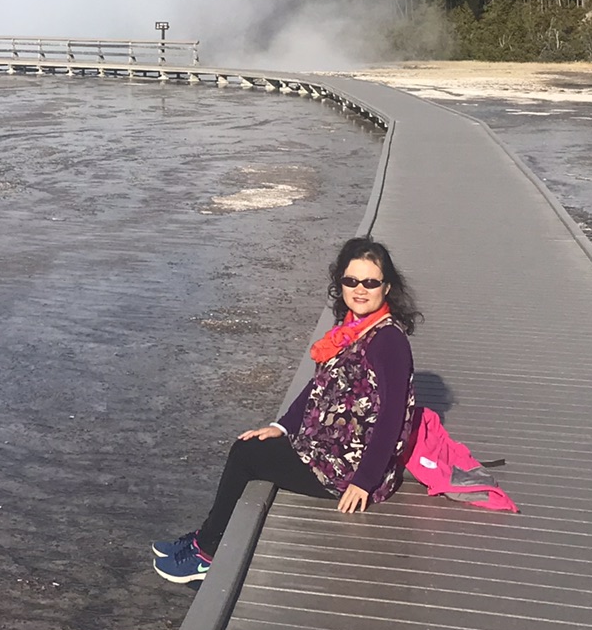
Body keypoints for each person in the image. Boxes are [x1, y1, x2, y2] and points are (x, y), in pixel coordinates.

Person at [151, 237, 421, 584]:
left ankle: (207, 552)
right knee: (253, 444)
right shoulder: (352, 329)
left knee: (246, 455)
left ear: (387, 287)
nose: (360, 289)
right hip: (326, 448)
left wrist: (364, 481)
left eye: (370, 282)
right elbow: (318, 387)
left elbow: (393, 416)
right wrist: (281, 426)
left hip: (345, 468)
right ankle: (207, 535)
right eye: (351, 281)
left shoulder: (388, 341)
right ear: (340, 283)